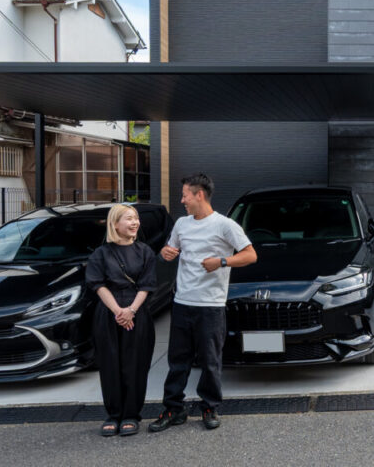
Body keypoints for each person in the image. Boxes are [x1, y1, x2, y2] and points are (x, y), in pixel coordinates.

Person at [149, 173, 256, 432]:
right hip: (182, 303)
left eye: (185, 195)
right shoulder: (181, 224)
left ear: (199, 195)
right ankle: (173, 409)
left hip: (211, 306)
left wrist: (221, 261)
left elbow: (250, 255)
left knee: (210, 361)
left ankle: (209, 406)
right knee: (178, 360)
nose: (182, 200)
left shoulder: (225, 225)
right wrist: (165, 252)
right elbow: (170, 251)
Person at [86, 203, 158, 437]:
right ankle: (113, 414)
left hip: (137, 312)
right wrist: (119, 311)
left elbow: (147, 285)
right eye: (129, 218)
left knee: (135, 365)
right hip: (109, 312)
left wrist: (131, 311)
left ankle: (131, 415)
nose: (135, 222)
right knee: (110, 365)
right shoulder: (101, 253)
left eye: (136, 218)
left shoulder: (145, 251)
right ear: (115, 224)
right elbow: (98, 285)